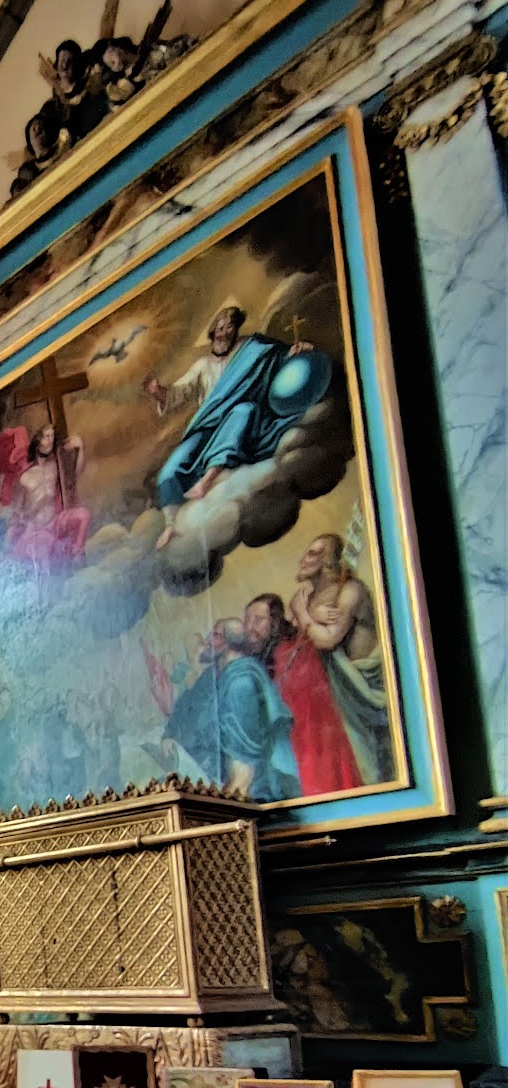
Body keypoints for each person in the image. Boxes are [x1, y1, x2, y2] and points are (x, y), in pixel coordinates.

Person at [143, 303, 326, 550]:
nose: (223, 332)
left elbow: (276, 359)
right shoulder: (203, 366)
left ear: (236, 329)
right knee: (171, 468)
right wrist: (158, 392)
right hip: (207, 427)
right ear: (212, 333)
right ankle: (171, 524)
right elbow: (177, 393)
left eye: (229, 327)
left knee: (243, 411)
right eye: (219, 328)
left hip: (240, 421)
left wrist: (293, 353)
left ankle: (207, 480)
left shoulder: (250, 350)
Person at [287, 532, 394, 783]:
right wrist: (310, 613)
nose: (303, 559)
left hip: (361, 691)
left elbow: (327, 639)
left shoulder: (350, 591)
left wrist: (303, 613)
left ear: (328, 562)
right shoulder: (311, 599)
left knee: (372, 764)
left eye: (313, 553)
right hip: (332, 698)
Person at [161, 617, 300, 801]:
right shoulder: (212, 675)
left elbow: (243, 766)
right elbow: (186, 706)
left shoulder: (241, 685)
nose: (207, 640)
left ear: (227, 643)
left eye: (215, 635)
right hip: (206, 774)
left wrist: (222, 802)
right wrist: (170, 734)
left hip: (247, 792)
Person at [243, 590, 361, 796]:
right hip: (290, 748)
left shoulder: (296, 649)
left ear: (275, 623)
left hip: (311, 743)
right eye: (247, 620)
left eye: (258, 620)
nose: (249, 628)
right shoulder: (259, 659)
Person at [0, 421, 91, 568]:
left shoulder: (55, 466)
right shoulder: (24, 477)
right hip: (36, 530)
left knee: (83, 515)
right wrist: (6, 548)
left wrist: (80, 449)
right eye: (46, 436)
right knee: (43, 550)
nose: (50, 441)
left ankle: (77, 555)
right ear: (37, 440)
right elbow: (16, 516)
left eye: (52, 436)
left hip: (55, 523)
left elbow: (75, 474)